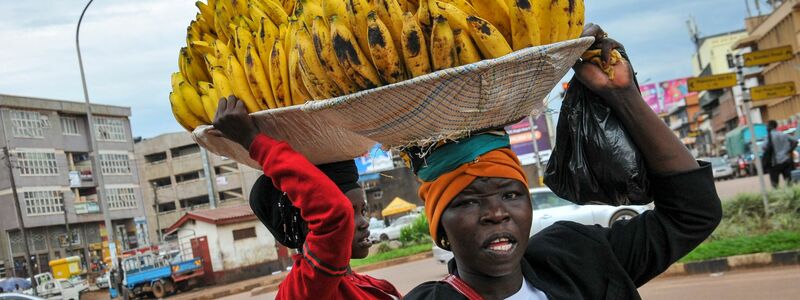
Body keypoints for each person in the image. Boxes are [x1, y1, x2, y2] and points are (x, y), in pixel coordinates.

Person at [405, 23, 723, 299]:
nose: (497, 213)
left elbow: (692, 214)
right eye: (469, 202)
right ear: (439, 225)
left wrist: (622, 95)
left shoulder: (577, 259)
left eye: (511, 194)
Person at [212, 97, 401, 300]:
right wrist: (252, 140)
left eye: (362, 211)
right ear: (307, 223)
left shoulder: (368, 285)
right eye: (350, 211)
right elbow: (335, 216)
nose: (364, 222)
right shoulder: (303, 291)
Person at [765, 120, 797, 188]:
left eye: (767, 126)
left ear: (770, 126)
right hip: (786, 160)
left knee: (775, 184)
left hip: (774, 163)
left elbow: (764, 147)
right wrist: (789, 151)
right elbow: (795, 141)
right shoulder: (783, 134)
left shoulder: (769, 136)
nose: (766, 128)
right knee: (789, 183)